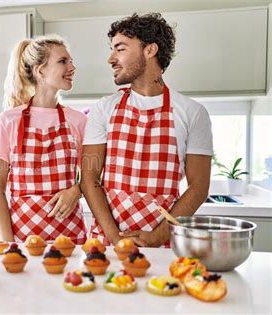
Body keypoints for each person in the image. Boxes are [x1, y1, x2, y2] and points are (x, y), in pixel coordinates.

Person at [80, 13, 213, 247]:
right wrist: (115, 238)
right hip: (108, 243)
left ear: (149, 50)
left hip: (162, 243)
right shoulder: (103, 109)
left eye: (120, 49)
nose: (111, 59)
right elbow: (90, 179)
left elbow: (199, 186)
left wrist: (158, 236)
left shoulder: (192, 112)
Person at [0, 35, 87, 244]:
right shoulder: (9, 121)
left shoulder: (78, 121)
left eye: (71, 61)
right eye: (63, 61)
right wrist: (9, 244)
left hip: (70, 238)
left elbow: (95, 175)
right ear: (40, 71)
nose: (72, 67)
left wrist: (77, 190)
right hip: (24, 239)